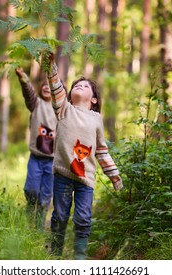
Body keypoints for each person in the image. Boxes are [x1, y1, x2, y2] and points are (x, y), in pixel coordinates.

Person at [41, 52, 123, 260]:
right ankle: (56, 254)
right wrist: (50, 67)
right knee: (59, 216)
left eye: (85, 86)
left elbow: (102, 150)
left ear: (94, 99)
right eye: (76, 85)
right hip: (63, 174)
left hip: (86, 179)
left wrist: (114, 176)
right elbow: (56, 87)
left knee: (83, 218)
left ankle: (80, 256)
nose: (80, 86)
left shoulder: (96, 119)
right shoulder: (64, 109)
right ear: (69, 95)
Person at [15, 67, 58, 231]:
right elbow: (28, 93)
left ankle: (39, 226)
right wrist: (23, 79)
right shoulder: (36, 104)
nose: (47, 86)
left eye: (51, 85)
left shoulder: (60, 109)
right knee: (31, 190)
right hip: (36, 157)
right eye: (44, 84)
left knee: (46, 195)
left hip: (52, 161)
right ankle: (29, 212)